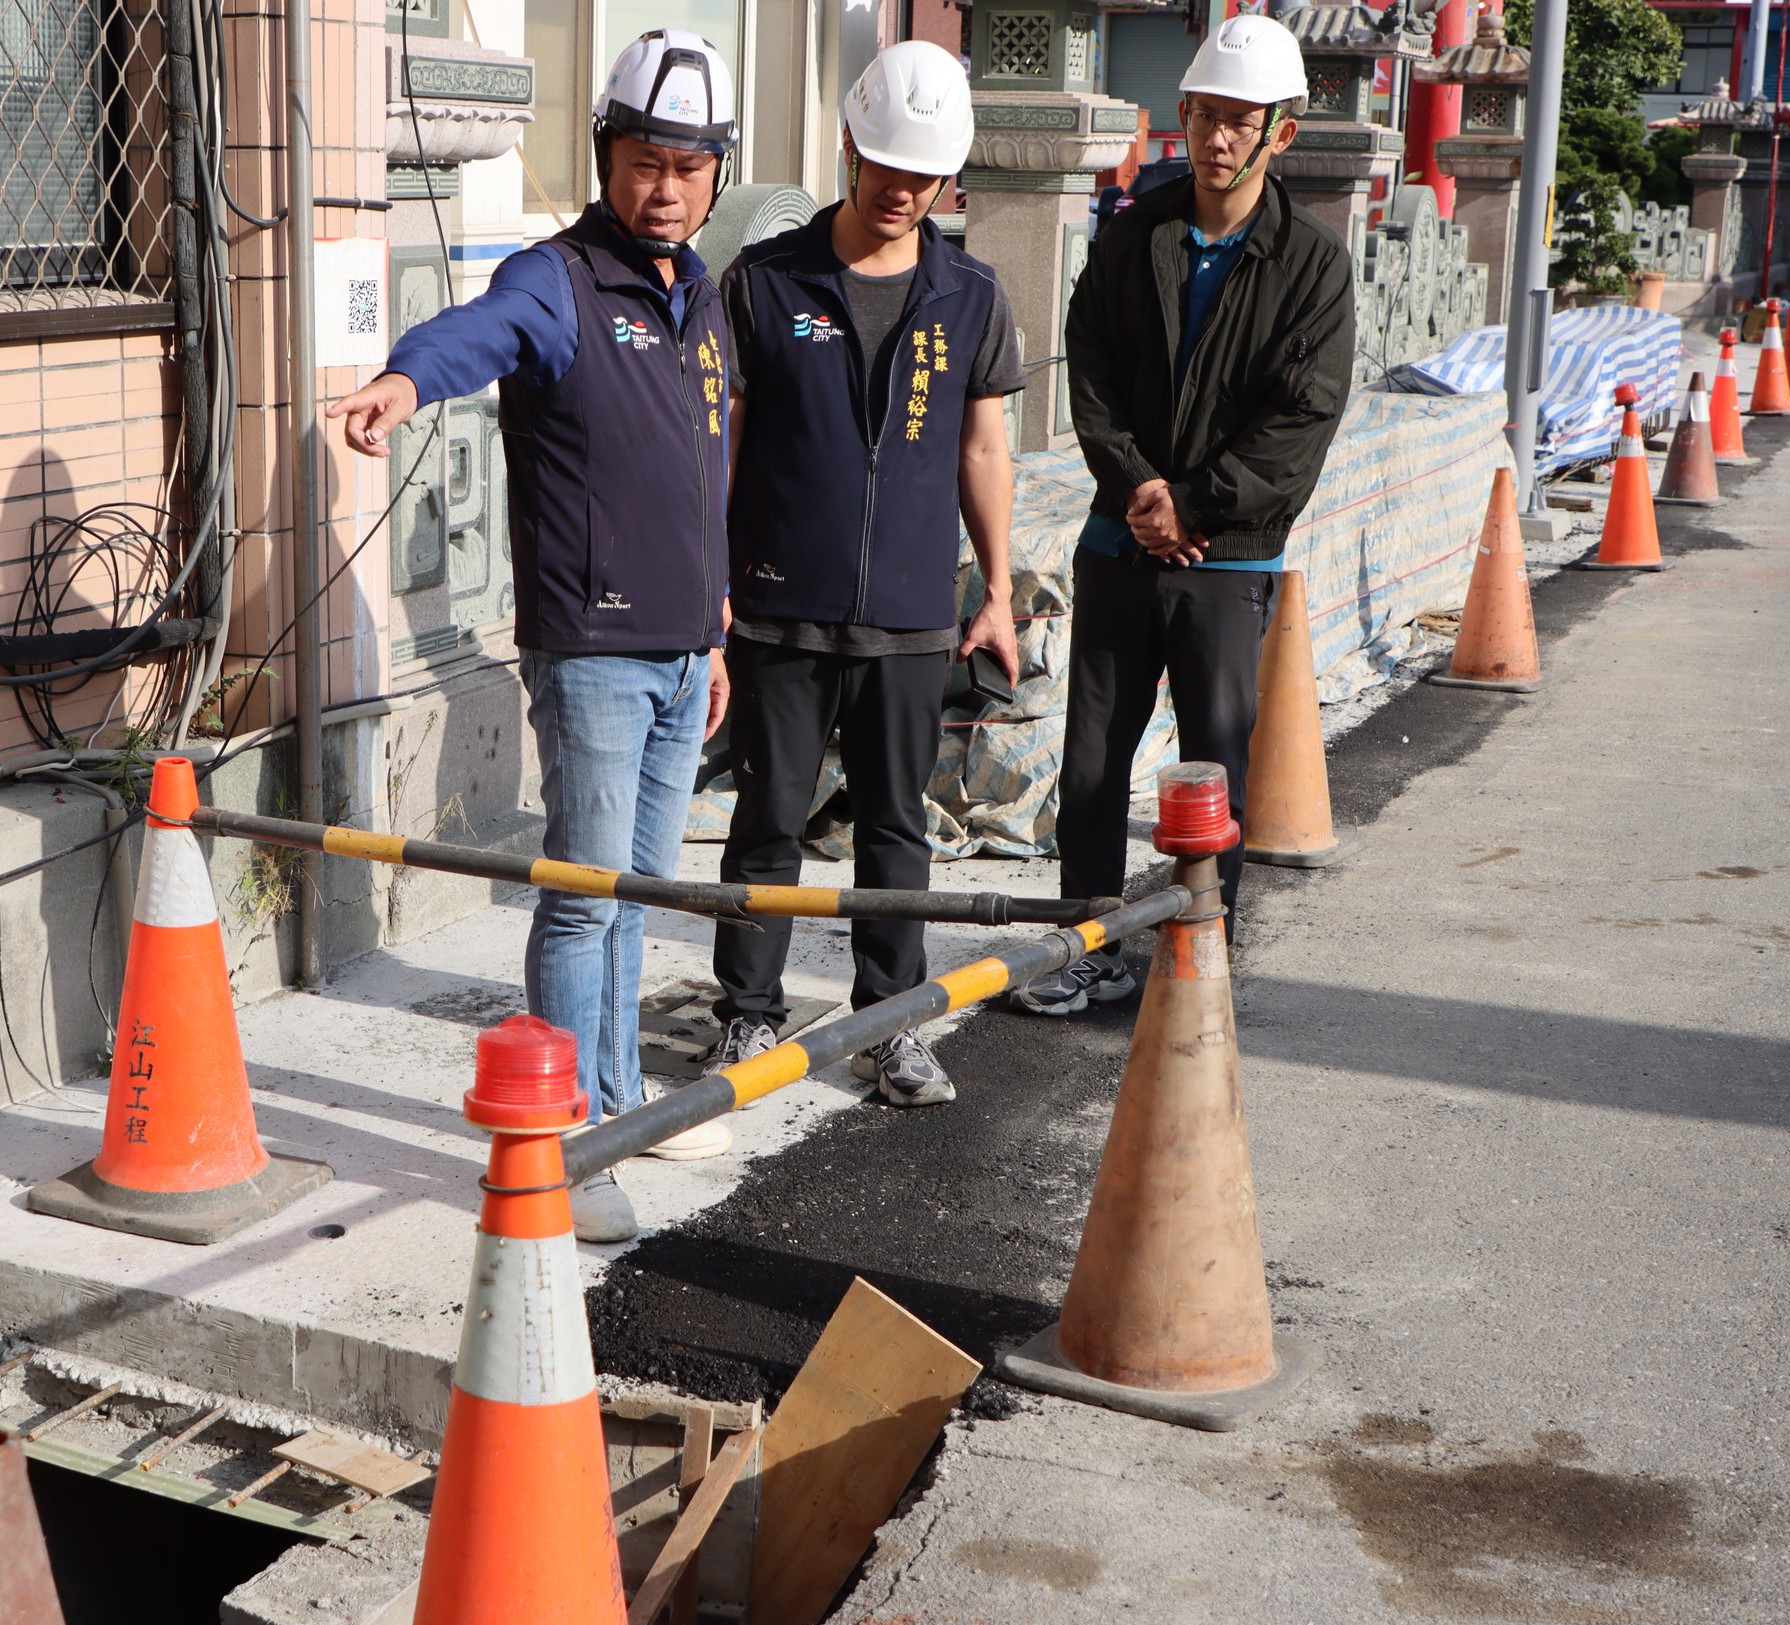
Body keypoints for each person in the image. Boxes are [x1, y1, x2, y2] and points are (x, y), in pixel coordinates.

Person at [327, 29, 740, 1241]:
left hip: (679, 653)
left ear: (717, 171)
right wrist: (404, 381)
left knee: (637, 895)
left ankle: (615, 1105)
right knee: (581, 897)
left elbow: (701, 473)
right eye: (643, 159)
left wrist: (714, 632)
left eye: (688, 163)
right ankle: (561, 1145)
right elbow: (480, 333)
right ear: (607, 155)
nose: (663, 186)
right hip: (598, 652)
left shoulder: (701, 295)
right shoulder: (559, 282)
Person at [695, 41, 1024, 1106]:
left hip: (914, 614)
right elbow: (724, 445)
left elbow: (982, 451)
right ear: (848, 144)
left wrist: (1002, 592)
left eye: (925, 175)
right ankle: (748, 1016)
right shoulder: (766, 281)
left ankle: (893, 1022)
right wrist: (717, 585)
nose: (903, 191)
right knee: (768, 822)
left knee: (897, 829)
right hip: (781, 601)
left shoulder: (969, 295)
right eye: (886, 165)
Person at [1014, 13, 1355, 1015]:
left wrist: (1193, 505)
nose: (1215, 136)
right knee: (1090, 762)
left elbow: (1303, 420)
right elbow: (1095, 378)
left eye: (1237, 119)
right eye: (1202, 113)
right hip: (1120, 543)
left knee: (1215, 767)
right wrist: (1137, 496)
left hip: (1230, 560)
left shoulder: (1312, 266)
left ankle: (1203, 947)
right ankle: (1083, 942)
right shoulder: (1136, 234)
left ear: (1278, 133)